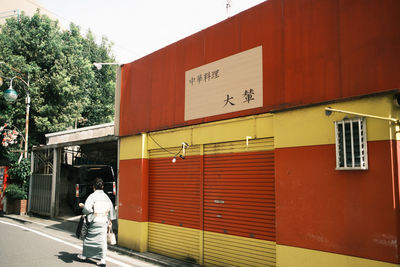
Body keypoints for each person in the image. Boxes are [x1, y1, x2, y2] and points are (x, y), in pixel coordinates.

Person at [77, 178, 116, 266]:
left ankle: (84, 256)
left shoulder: (92, 196)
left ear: (93, 187)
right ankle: (102, 260)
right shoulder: (106, 197)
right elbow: (111, 210)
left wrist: (82, 206)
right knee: (102, 240)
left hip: (94, 220)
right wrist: (110, 220)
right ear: (102, 186)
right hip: (104, 221)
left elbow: (87, 209)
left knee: (88, 239)